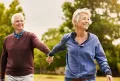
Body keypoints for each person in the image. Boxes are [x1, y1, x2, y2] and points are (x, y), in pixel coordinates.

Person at [46, 8, 113, 81]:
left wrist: (107, 72)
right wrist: (51, 54)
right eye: (84, 19)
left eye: (88, 19)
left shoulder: (94, 39)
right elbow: (58, 47)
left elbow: (101, 58)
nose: (87, 21)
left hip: (88, 78)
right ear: (75, 21)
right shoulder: (67, 38)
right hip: (70, 78)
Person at [0, 13, 50, 81]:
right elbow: (3, 59)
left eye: (21, 21)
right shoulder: (7, 39)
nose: (20, 22)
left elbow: (39, 43)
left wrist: (49, 53)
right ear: (13, 24)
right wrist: (2, 77)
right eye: (17, 21)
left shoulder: (30, 36)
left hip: (27, 75)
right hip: (11, 76)